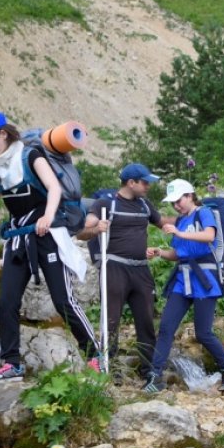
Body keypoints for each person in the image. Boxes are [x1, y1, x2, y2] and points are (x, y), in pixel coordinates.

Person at [0, 110, 99, 383]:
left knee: (63, 300)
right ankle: (11, 363)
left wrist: (47, 216)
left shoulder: (30, 156)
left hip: (47, 235)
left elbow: (53, 188)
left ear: (2, 133)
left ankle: (95, 355)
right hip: (17, 238)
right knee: (7, 302)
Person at [144, 179, 224, 394]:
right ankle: (154, 376)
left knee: (203, 333)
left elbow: (209, 236)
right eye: (173, 203)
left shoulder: (203, 213)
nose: (176, 206)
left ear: (189, 196)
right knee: (166, 328)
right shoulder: (181, 220)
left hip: (204, 279)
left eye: (178, 200)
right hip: (183, 279)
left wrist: (179, 233)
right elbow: (178, 254)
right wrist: (160, 252)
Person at [76, 163, 163, 384]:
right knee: (111, 320)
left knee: (145, 320)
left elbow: (164, 224)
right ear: (131, 182)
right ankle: (110, 367)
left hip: (141, 268)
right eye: (144, 182)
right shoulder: (105, 204)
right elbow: (83, 233)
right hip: (115, 267)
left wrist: (194, 216)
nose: (148, 186)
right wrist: (97, 229)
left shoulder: (145, 205)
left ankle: (149, 369)